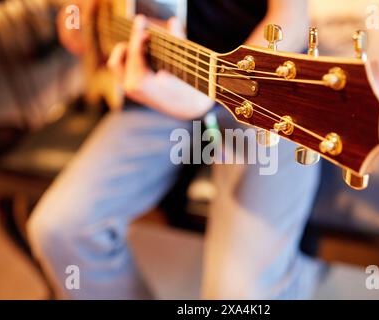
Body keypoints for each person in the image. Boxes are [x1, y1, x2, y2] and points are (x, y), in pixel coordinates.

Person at [27, 0, 321, 299]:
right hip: (156, 86)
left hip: (260, 87)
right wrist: (79, 21)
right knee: (59, 228)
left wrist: (211, 95)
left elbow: (292, 16)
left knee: (239, 297)